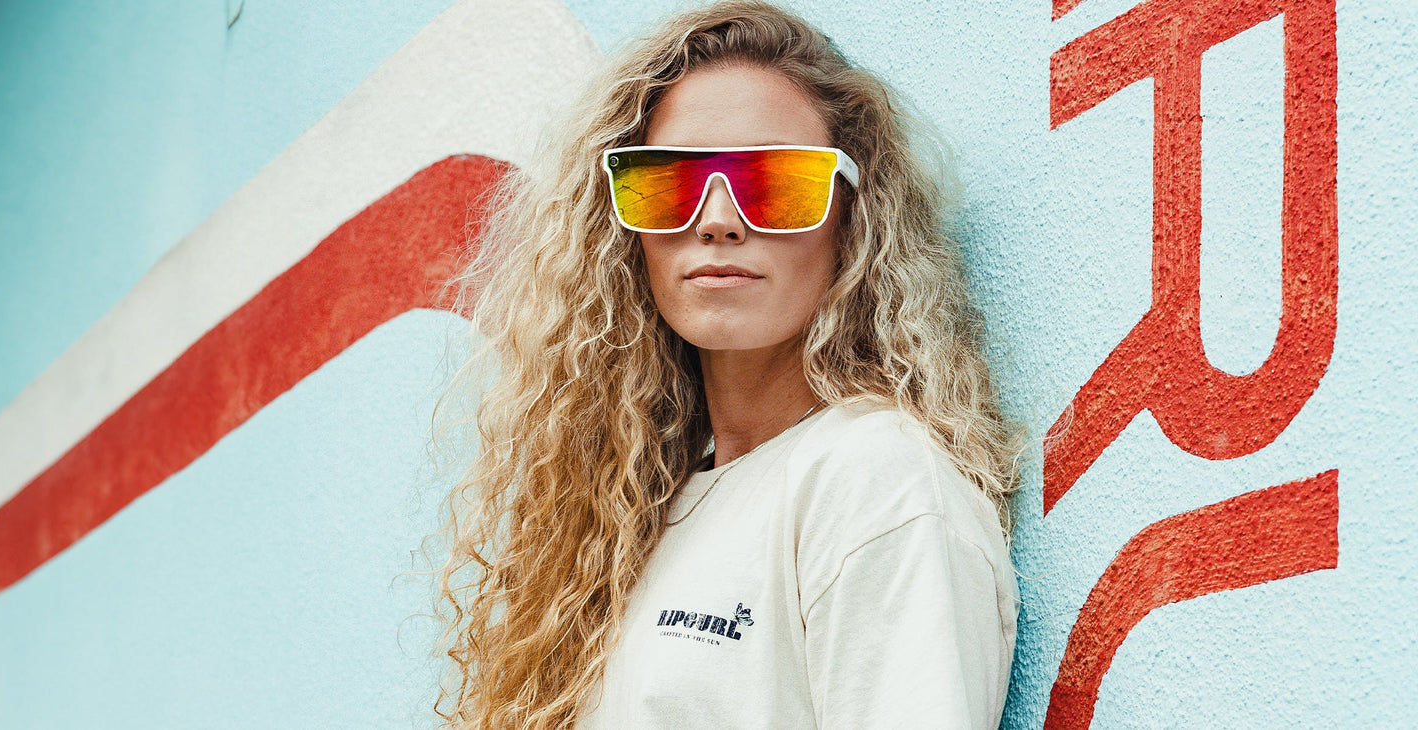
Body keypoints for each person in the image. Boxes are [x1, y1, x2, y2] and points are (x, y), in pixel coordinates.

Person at [430, 2, 1022, 727]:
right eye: (669, 183)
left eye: (774, 184)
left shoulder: (874, 481)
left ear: (855, 220)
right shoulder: (632, 514)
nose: (716, 220)